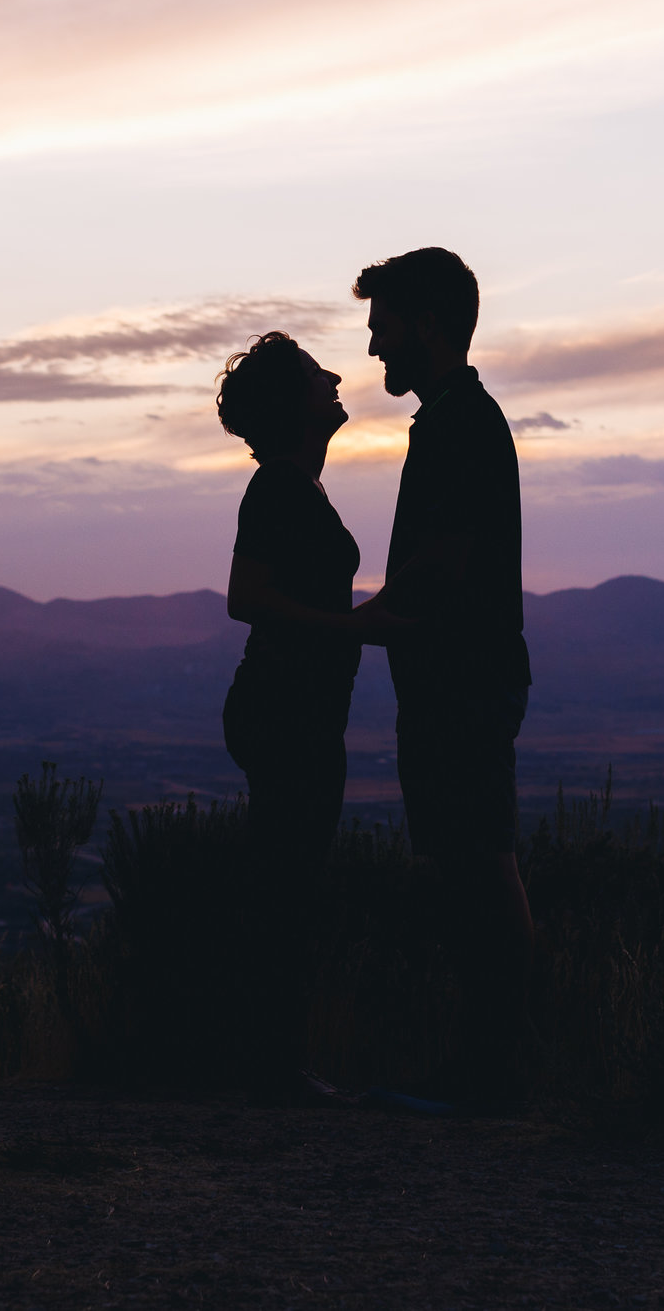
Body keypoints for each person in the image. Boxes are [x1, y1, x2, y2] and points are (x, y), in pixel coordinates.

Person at [356, 247, 535, 1115]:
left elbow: (440, 566)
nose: (374, 348)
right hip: (452, 682)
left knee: (479, 867)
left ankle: (502, 1068)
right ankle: (494, 1064)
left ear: (428, 324)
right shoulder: (455, 420)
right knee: (471, 865)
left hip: (461, 683)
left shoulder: (458, 425)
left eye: (383, 328)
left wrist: (346, 627)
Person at [215, 331, 403, 1104]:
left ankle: (269, 1059)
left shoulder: (297, 486)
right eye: (314, 374)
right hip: (285, 708)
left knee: (287, 878)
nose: (333, 376)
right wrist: (347, 628)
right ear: (294, 404)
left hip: (302, 709)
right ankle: (271, 1066)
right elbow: (246, 598)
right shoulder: (276, 490)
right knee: (285, 882)